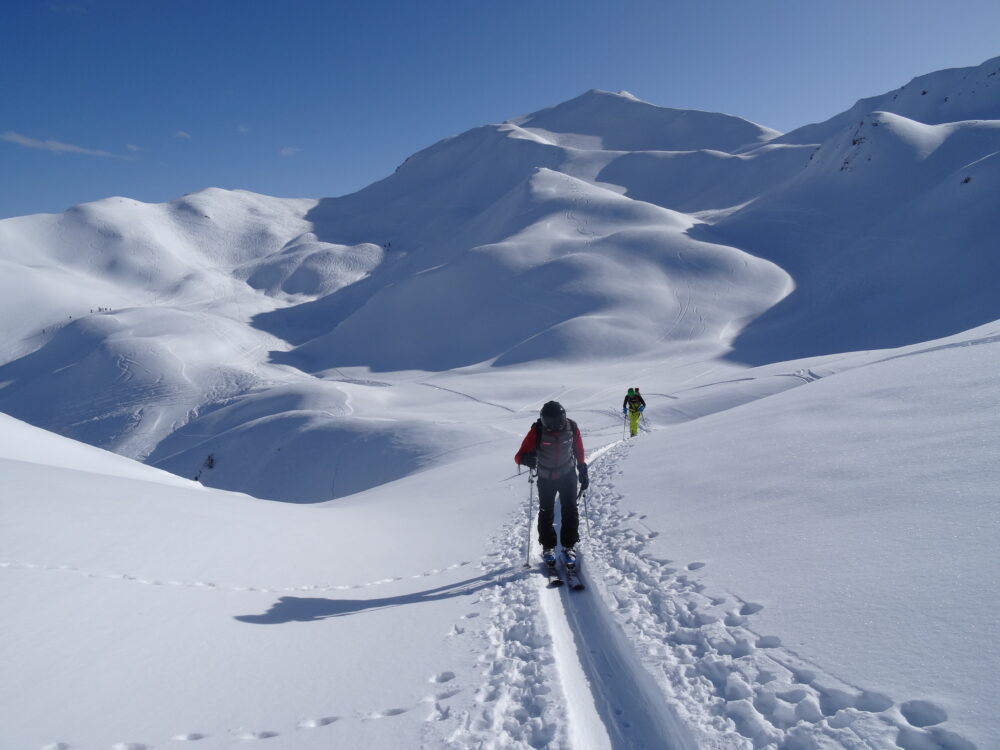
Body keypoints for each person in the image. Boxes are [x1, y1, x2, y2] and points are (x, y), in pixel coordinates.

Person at [514, 401, 589, 567]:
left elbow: (579, 450)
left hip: (567, 475)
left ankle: (569, 546)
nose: (555, 426)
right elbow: (518, 456)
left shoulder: (572, 427)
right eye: (551, 423)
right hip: (546, 477)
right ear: (544, 420)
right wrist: (527, 459)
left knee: (570, 509)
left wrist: (583, 469)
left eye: (559, 422)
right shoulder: (537, 430)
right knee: (546, 511)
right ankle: (548, 547)